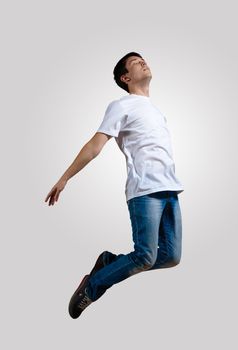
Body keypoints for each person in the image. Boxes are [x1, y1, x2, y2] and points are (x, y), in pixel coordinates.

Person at [44, 52, 184, 319]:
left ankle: (109, 263)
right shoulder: (122, 105)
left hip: (171, 190)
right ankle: (92, 287)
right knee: (145, 256)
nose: (143, 61)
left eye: (143, 58)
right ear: (126, 77)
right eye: (134, 62)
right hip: (145, 191)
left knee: (170, 256)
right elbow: (95, 146)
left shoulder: (156, 111)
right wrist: (64, 178)